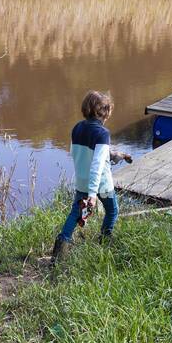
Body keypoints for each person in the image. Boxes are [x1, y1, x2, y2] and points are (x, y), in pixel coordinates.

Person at [51, 90, 130, 261]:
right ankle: (104, 242)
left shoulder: (77, 128)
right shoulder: (103, 133)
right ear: (104, 112)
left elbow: (77, 153)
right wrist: (93, 195)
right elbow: (97, 165)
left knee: (75, 214)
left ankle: (60, 250)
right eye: (108, 111)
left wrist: (111, 153)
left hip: (81, 182)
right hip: (100, 184)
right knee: (112, 211)